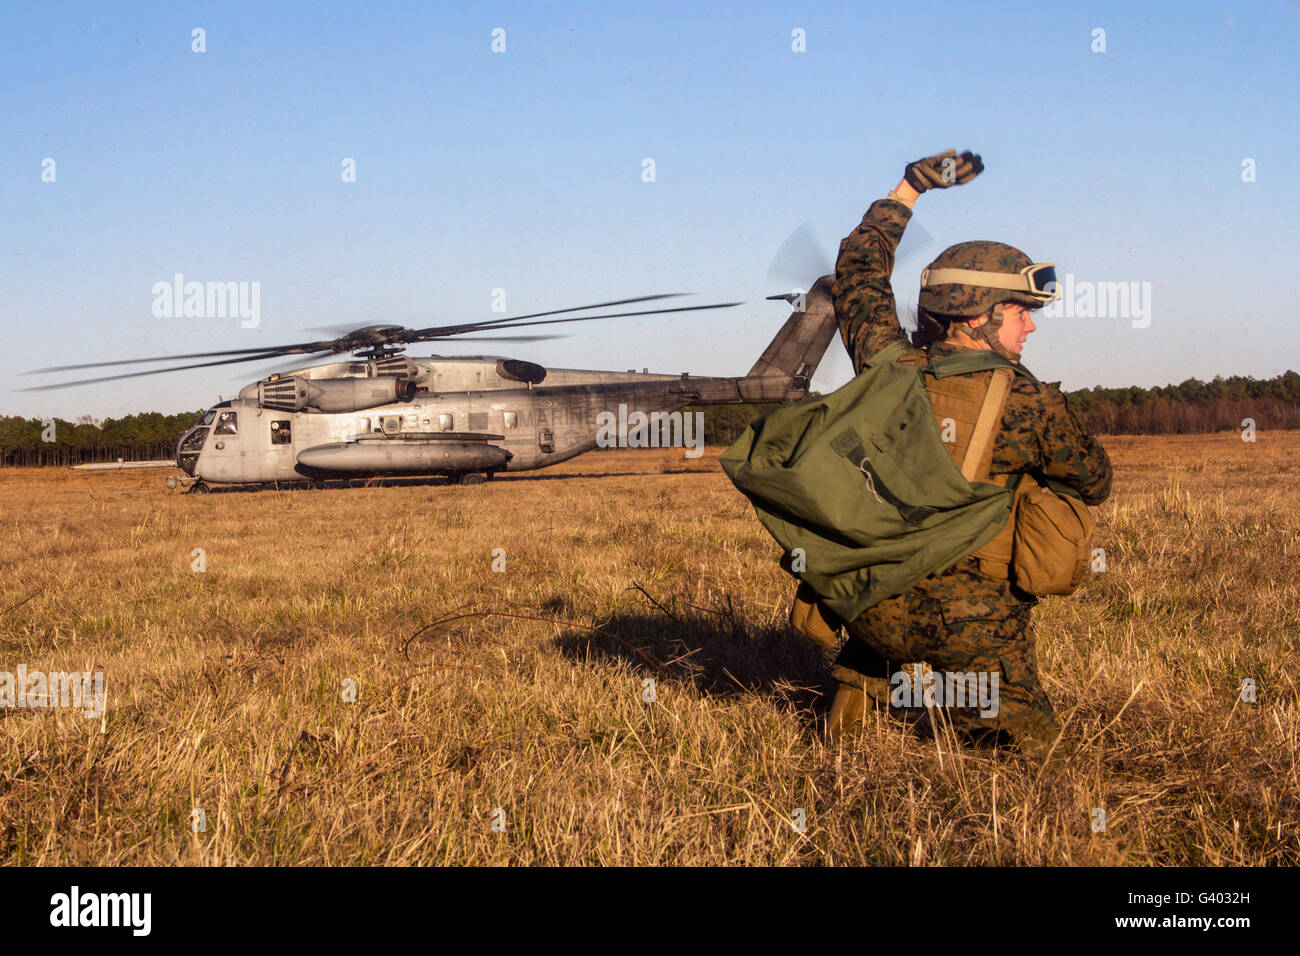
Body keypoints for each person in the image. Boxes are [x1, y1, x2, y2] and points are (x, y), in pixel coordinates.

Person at [826, 149, 1113, 758]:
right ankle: (991, 745)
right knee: (1029, 759)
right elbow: (1093, 480)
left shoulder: (884, 363)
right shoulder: (1029, 400)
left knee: (878, 639)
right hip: (970, 628)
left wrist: (908, 190)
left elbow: (858, 276)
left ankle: (851, 709)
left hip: (870, 605)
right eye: (1020, 314)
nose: (1029, 329)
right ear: (978, 317)